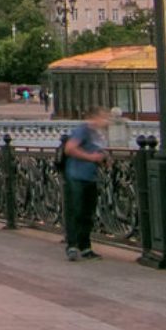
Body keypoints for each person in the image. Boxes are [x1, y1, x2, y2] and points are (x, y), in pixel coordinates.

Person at [62, 107, 112, 261]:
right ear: (95, 117)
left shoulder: (98, 134)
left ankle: (85, 247)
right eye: (104, 117)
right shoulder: (82, 130)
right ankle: (72, 245)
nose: (107, 120)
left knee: (87, 213)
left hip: (91, 177)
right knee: (76, 211)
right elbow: (69, 149)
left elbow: (98, 152)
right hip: (76, 176)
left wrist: (104, 159)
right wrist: (91, 158)